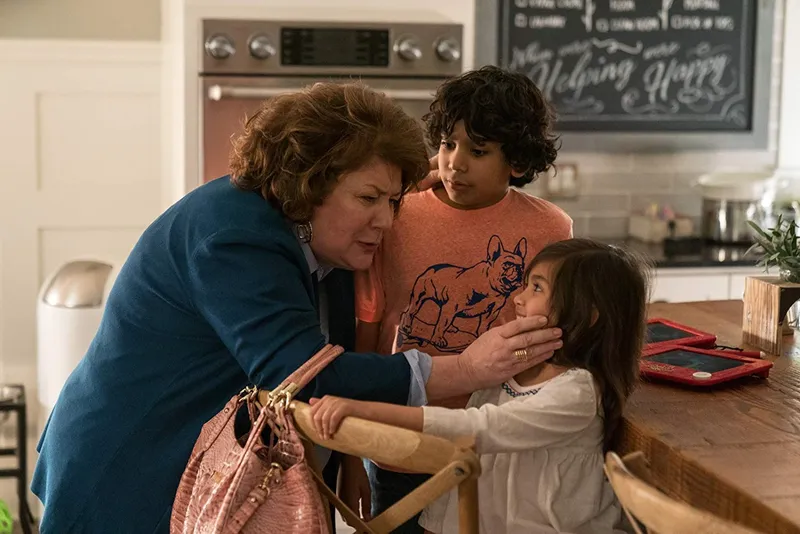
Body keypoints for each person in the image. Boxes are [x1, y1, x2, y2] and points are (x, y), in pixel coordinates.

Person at [30, 82, 564, 533]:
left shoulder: (319, 236)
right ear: (310, 185)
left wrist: (399, 182)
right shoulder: (233, 236)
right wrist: (464, 369)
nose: (387, 220)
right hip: (131, 463)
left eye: (394, 201)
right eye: (369, 198)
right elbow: (306, 377)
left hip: (204, 463)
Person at [351, 65, 574, 530]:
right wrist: (352, 453)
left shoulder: (551, 228)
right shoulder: (396, 216)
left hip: (498, 446)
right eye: (447, 144)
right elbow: (368, 326)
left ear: (517, 161)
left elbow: (557, 336)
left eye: (478, 150)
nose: (455, 163)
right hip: (402, 444)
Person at [311, 238, 651, 534]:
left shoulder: (577, 392)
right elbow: (463, 462)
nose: (517, 298)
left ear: (589, 314)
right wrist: (436, 526)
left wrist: (362, 408)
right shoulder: (511, 368)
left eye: (536, 288)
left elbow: (475, 429)